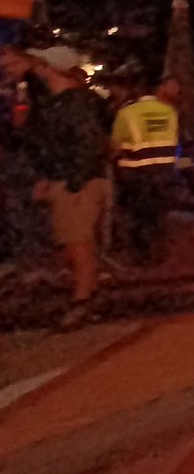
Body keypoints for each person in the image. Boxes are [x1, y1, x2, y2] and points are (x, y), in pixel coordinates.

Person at [0, 46, 111, 329]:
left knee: (78, 243)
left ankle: (83, 302)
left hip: (78, 182)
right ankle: (87, 294)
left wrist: (71, 182)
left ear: (53, 67)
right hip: (70, 179)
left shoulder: (75, 102)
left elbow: (87, 145)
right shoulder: (57, 101)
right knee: (72, 243)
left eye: (42, 64)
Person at [111, 75, 179, 265]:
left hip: (136, 172)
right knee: (157, 214)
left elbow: (115, 144)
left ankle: (142, 256)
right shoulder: (169, 111)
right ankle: (158, 252)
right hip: (163, 170)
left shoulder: (127, 112)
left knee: (139, 215)